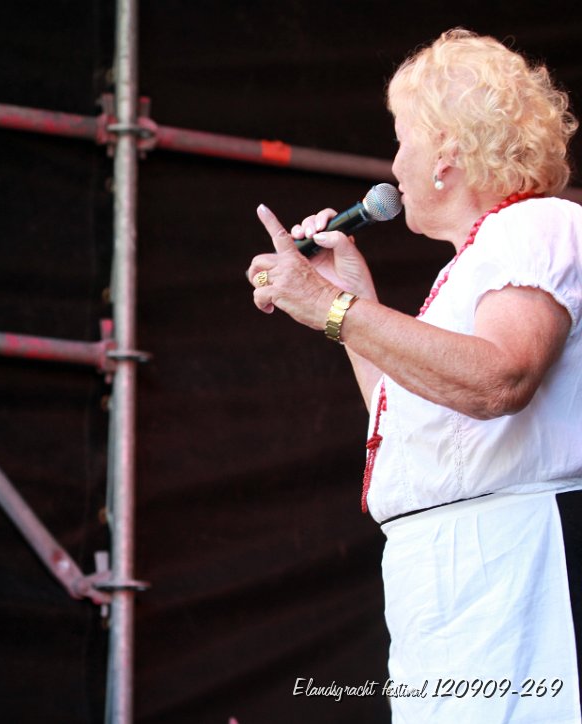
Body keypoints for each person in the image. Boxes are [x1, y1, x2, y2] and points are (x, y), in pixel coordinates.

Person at [246, 29, 582, 722]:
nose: (394, 165)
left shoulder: (538, 225)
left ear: (447, 151)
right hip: (447, 570)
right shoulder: (475, 260)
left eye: (402, 140)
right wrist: (348, 300)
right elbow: (411, 421)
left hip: (516, 562)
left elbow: (500, 380)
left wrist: (336, 308)